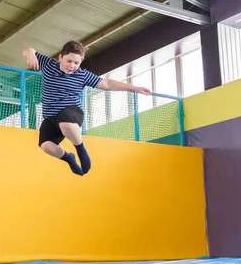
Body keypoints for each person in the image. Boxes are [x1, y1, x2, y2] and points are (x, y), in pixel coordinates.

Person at [23, 41, 151, 176]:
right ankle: (69, 158)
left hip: (71, 112)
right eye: (69, 61)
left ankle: (80, 149)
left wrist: (133, 88)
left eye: (76, 63)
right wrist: (30, 52)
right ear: (60, 57)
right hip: (50, 118)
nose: (72, 66)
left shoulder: (82, 75)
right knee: (46, 146)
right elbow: (27, 50)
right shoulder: (49, 65)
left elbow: (106, 84)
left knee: (65, 123)